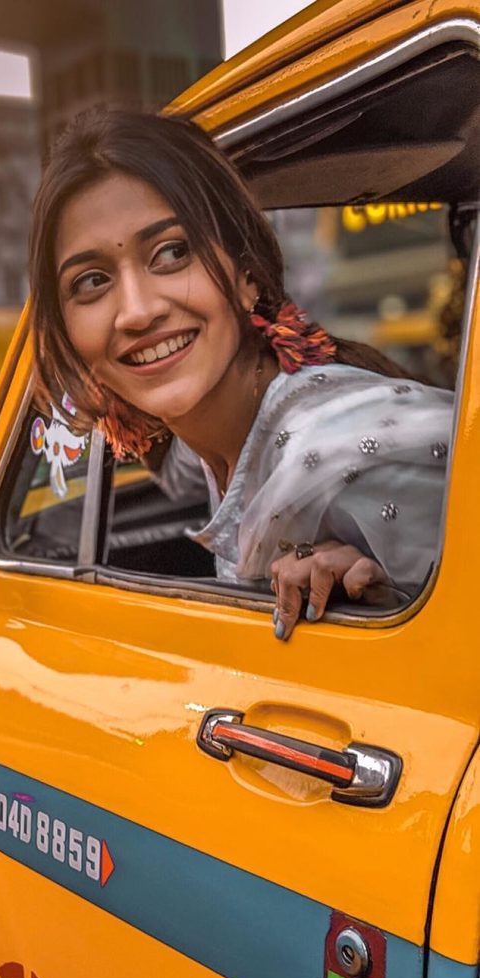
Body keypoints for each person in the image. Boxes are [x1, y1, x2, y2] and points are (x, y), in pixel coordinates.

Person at [29, 109, 454, 641]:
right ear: (69, 331)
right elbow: (171, 464)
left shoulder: (334, 453)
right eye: (92, 281)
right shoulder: (212, 444)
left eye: (172, 253)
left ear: (248, 272)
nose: (135, 312)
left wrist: (389, 591)